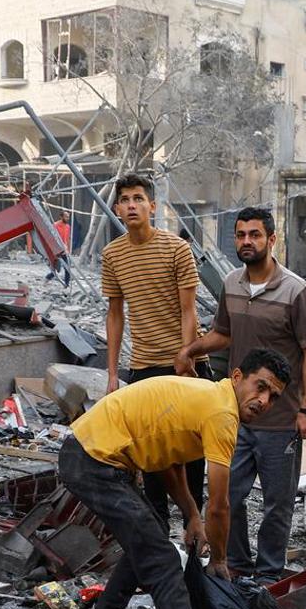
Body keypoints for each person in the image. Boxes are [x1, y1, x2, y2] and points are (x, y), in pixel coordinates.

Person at [59, 348, 289, 609]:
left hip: (98, 457)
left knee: (147, 542)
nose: (263, 399)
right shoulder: (222, 413)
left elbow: (168, 460)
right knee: (162, 558)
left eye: (273, 396)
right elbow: (221, 505)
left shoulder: (209, 399)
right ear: (238, 377)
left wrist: (191, 516)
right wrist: (221, 560)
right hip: (94, 460)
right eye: (260, 386)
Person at [177, 207, 306, 584]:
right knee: (230, 497)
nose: (246, 241)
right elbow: (223, 333)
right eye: (241, 235)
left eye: (255, 235)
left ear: (272, 240)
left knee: (277, 504)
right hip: (235, 417)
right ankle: (238, 563)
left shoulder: (296, 290)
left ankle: (269, 572)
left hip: (280, 419)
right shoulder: (231, 282)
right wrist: (191, 349)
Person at [99, 173, 202, 528]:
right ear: (117, 208)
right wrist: (113, 374)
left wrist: (186, 355)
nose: (131, 205)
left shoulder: (176, 248)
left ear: (152, 206)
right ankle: (160, 534)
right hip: (144, 367)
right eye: (125, 199)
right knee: (153, 457)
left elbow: (189, 309)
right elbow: (115, 315)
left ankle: (196, 525)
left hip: (185, 364)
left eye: (138, 198)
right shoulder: (112, 255)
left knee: (192, 454)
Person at [45, 215, 75, 285]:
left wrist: (68, 249)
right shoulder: (55, 225)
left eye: (68, 217)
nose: (67, 218)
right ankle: (48, 277)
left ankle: (67, 284)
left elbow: (67, 238)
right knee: (56, 267)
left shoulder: (68, 227)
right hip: (56, 249)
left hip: (64, 250)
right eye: (66, 216)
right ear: (61, 217)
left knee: (67, 268)